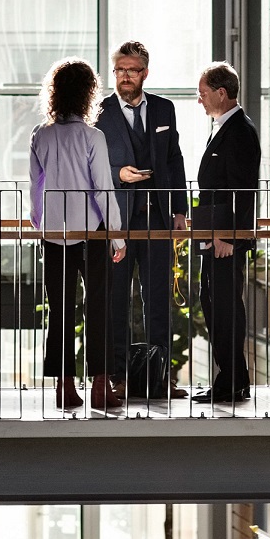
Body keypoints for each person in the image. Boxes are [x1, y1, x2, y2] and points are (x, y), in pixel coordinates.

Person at [29, 58, 127, 412]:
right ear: (88, 94)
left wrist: (41, 225)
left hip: (54, 234)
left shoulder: (40, 135)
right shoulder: (92, 137)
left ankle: (64, 388)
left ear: (55, 94)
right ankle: (101, 386)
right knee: (99, 308)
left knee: (60, 311)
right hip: (93, 234)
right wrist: (117, 237)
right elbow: (104, 189)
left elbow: (35, 188)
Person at [95, 40, 188, 400]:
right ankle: (117, 377)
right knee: (117, 299)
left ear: (145, 73)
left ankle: (160, 378)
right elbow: (94, 165)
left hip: (158, 219)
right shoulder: (100, 112)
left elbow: (175, 159)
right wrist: (120, 174)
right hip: (116, 222)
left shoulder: (164, 109)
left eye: (131, 71)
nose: (124, 77)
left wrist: (180, 210)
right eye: (119, 70)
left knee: (158, 300)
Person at [184, 62, 259, 404]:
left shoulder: (239, 131)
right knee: (213, 303)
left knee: (226, 308)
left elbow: (243, 190)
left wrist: (229, 236)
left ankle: (232, 382)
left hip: (224, 240)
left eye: (202, 93)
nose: (199, 100)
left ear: (221, 93)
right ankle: (230, 378)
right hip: (211, 235)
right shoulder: (221, 127)